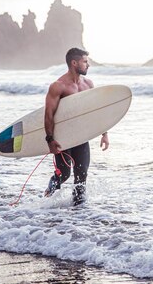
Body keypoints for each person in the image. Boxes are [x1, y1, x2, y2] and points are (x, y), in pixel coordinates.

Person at [43, 47, 109, 205]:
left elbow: (95, 110)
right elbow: (49, 115)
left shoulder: (88, 84)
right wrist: (50, 140)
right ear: (74, 63)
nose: (88, 65)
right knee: (64, 175)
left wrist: (104, 133)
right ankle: (46, 200)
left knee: (82, 175)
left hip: (81, 136)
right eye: (85, 62)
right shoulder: (58, 86)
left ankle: (78, 215)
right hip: (63, 138)